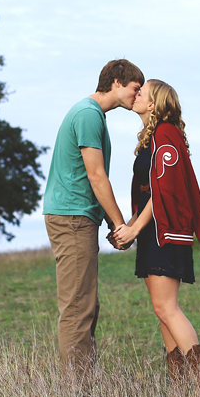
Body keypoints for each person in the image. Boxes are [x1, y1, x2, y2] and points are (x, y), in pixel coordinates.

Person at [42, 58, 145, 374]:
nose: (138, 95)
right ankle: (77, 395)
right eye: (135, 88)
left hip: (77, 216)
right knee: (77, 308)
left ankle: (84, 386)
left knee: (85, 305)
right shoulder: (88, 115)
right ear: (116, 81)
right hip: (72, 217)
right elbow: (96, 176)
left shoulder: (91, 114)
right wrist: (119, 224)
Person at [113, 79, 200, 382]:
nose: (135, 95)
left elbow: (165, 191)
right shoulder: (151, 137)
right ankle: (180, 383)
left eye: (141, 93)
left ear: (154, 104)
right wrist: (130, 227)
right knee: (161, 309)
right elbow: (148, 192)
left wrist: (135, 230)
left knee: (167, 307)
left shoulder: (166, 133)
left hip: (166, 231)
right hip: (152, 231)